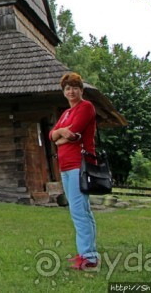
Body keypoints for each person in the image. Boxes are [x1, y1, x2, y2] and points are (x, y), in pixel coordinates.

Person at [49, 72, 99, 270]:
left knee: (79, 211)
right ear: (64, 92)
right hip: (67, 167)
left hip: (80, 165)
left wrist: (60, 136)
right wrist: (60, 133)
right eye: (67, 88)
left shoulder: (85, 107)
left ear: (81, 90)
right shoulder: (66, 113)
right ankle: (87, 252)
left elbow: (72, 134)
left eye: (75, 87)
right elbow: (52, 135)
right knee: (80, 210)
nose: (71, 91)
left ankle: (88, 257)